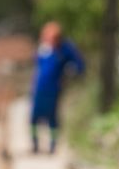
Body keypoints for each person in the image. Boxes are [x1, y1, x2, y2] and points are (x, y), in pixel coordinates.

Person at [29, 21, 84, 154]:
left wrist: (71, 70)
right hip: (39, 88)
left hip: (54, 89)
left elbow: (79, 64)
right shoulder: (43, 49)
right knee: (34, 118)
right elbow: (37, 64)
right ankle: (35, 145)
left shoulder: (64, 49)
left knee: (52, 118)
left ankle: (53, 146)